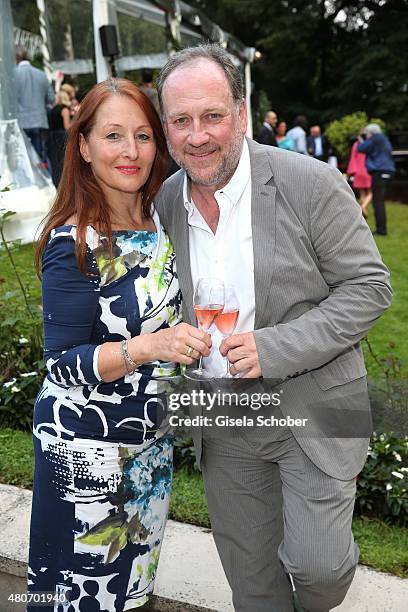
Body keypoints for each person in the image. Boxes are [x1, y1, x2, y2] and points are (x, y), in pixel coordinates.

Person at [154, 44, 392, 612]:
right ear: (165, 128)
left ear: (241, 112)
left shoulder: (311, 183)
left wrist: (274, 346)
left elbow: (370, 288)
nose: (198, 135)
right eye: (180, 121)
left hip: (314, 408)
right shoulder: (166, 200)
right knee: (253, 586)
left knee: (320, 571)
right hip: (226, 417)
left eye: (212, 116)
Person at [28, 78, 210, 611]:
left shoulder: (159, 221)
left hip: (147, 447)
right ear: (82, 146)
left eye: (142, 136)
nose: (131, 152)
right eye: (112, 136)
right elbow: (61, 365)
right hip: (85, 450)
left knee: (132, 593)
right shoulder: (74, 242)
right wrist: (151, 346)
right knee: (81, 596)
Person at [15, 45, 54, 163]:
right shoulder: (41, 74)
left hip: (21, 123)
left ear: (16, 57)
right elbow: (51, 98)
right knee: (40, 161)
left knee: (23, 161)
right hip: (40, 122)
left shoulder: (12, 74)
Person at [357, 123, 395, 236]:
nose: (367, 136)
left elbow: (361, 148)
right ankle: (381, 228)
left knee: (377, 202)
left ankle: (381, 230)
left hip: (379, 171)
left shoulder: (375, 139)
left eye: (367, 134)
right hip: (388, 171)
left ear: (371, 133)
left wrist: (360, 139)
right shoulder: (384, 139)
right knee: (379, 200)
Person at [47, 89, 72, 187]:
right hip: (62, 137)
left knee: (55, 162)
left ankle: (56, 184)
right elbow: (67, 126)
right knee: (63, 161)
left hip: (52, 137)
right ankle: (65, 184)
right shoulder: (64, 109)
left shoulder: (53, 110)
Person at [347, 136, 372, 218]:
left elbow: (353, 158)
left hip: (358, 171)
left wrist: (351, 171)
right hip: (368, 170)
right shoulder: (370, 144)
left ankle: (362, 213)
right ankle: (363, 206)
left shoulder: (356, 144)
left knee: (362, 193)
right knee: (370, 193)